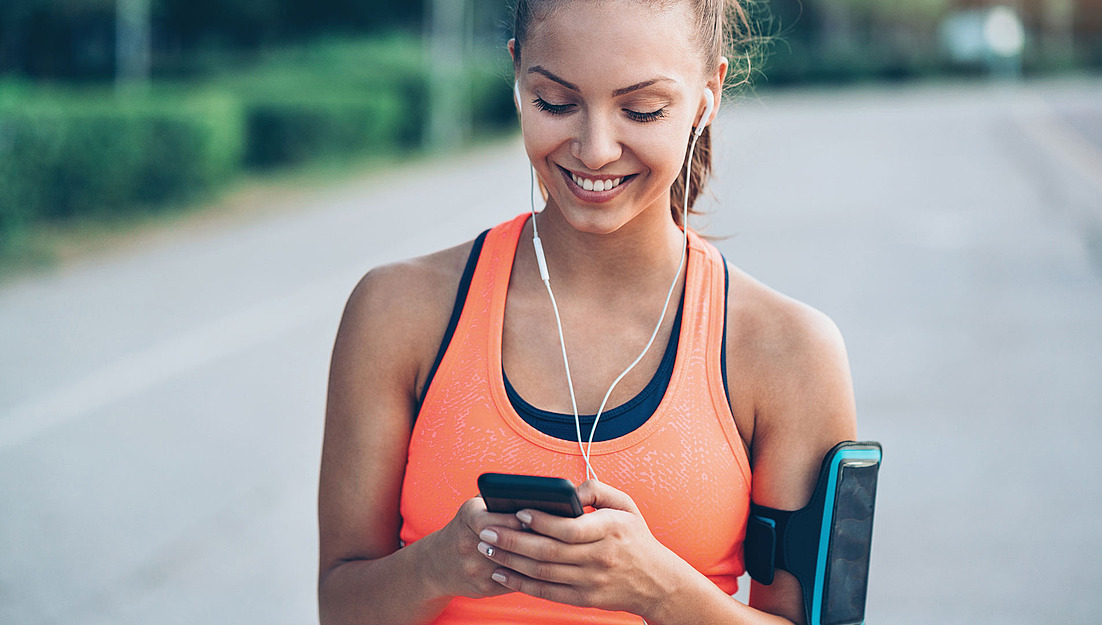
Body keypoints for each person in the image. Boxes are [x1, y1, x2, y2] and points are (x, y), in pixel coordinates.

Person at [317, 0, 857, 623]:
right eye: (555, 103)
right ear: (518, 76)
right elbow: (341, 607)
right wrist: (438, 567)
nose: (596, 149)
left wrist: (660, 590)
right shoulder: (398, 312)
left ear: (708, 97)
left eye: (642, 110)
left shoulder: (790, 352)